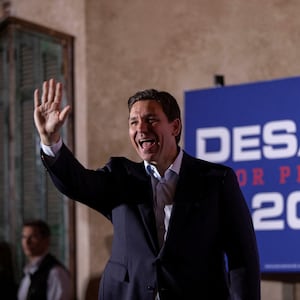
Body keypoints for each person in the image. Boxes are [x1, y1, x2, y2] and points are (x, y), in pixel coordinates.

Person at [33, 78, 261, 300]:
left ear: (175, 126)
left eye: (151, 120)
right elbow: (77, 183)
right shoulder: (119, 176)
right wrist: (50, 141)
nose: (141, 128)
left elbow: (243, 257)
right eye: (133, 122)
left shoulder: (216, 180)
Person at [18, 219, 72, 300]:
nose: (26, 242)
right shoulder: (29, 271)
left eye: (33, 237)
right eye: (24, 237)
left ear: (46, 240)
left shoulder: (56, 273)